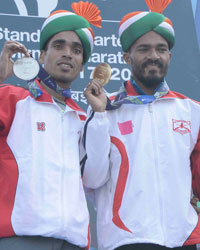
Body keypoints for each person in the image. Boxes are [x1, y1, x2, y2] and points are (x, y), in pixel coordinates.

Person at [82, 0, 200, 249]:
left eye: (161, 49)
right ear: (127, 56)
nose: (154, 56)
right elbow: (92, 179)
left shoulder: (192, 110)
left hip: (183, 237)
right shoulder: (104, 108)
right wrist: (100, 116)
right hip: (126, 238)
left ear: (169, 55)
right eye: (144, 49)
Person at [0, 2, 101, 250]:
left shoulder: (84, 119)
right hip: (20, 238)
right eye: (59, 46)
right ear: (42, 56)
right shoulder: (13, 99)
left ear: (81, 63)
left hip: (73, 241)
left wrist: (100, 118)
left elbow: (94, 180)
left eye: (76, 50)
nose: (68, 53)